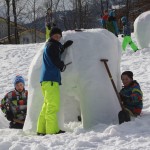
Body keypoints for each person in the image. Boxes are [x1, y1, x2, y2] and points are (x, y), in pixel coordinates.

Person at [37, 27, 73, 135]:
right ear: (51, 36)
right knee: (53, 106)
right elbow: (55, 58)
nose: (57, 38)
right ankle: (52, 131)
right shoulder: (53, 46)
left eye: (59, 36)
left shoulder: (51, 45)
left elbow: (55, 52)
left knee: (46, 105)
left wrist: (64, 46)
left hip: (46, 80)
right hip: (51, 80)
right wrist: (61, 65)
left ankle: (41, 130)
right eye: (55, 36)